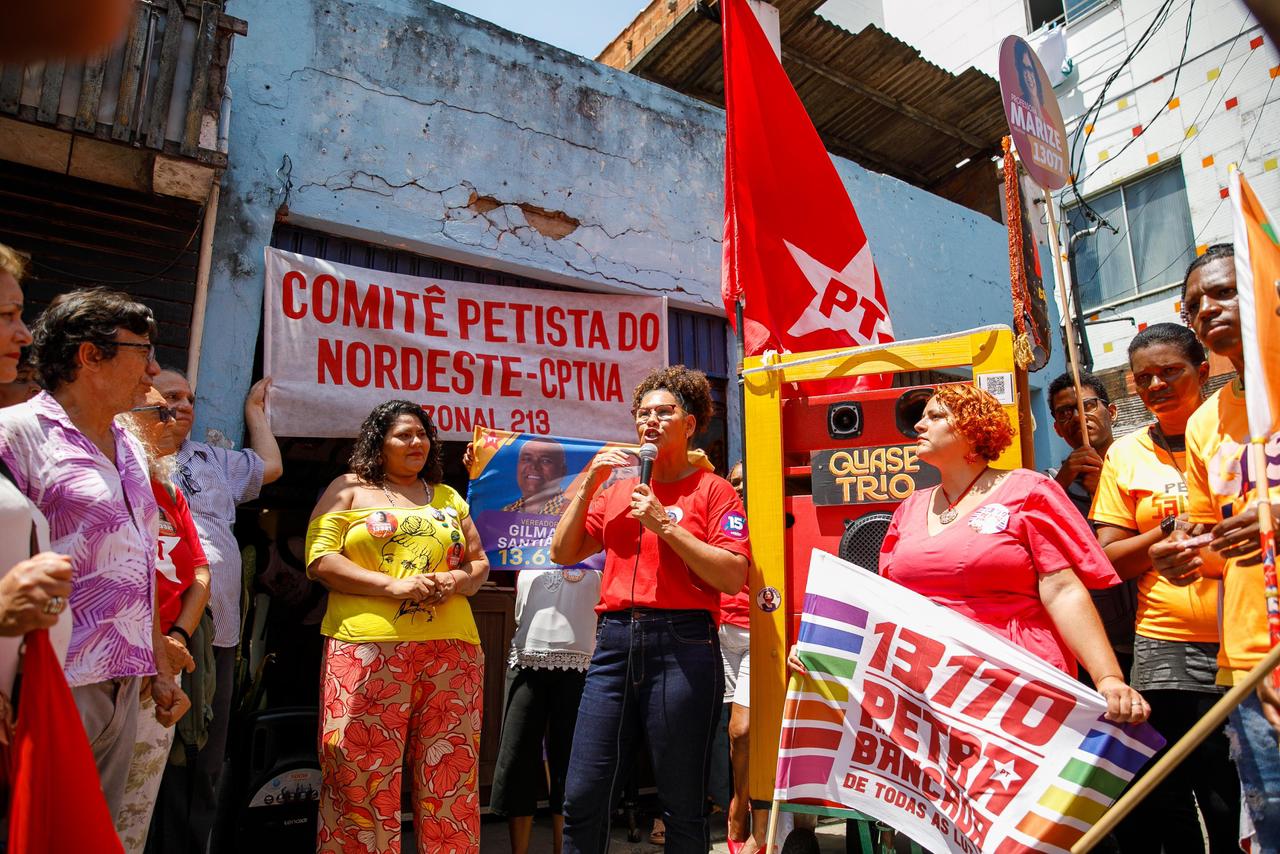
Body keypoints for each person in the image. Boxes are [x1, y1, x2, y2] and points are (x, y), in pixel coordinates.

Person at [0, 287, 191, 827]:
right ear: (90, 355)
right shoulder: (17, 435)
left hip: (124, 684)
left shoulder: (129, 445)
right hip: (51, 681)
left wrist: (157, 666)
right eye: (142, 352)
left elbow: (139, 569)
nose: (153, 370)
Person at [551, 365, 751, 854]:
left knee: (682, 802)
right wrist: (590, 482)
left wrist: (667, 526)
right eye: (643, 413)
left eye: (665, 412)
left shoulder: (714, 490)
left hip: (682, 645)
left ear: (691, 423)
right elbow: (562, 552)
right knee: (583, 794)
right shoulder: (616, 489)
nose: (651, 422)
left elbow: (732, 575)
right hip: (615, 643)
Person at [860, 384, 1148, 719]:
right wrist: (829, 650)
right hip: (930, 690)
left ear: (972, 428)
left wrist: (1109, 678)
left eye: (935, 416)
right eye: (921, 419)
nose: (919, 426)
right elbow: (888, 603)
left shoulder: (1028, 491)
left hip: (1016, 687)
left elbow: (1062, 590)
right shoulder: (909, 508)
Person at [307, 400, 489, 854]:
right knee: (359, 772)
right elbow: (320, 560)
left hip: (453, 652)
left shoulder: (446, 497)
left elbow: (479, 563)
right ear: (379, 443)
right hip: (368, 649)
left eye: (423, 434)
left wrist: (454, 578)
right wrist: (391, 587)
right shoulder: (348, 489)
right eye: (404, 435)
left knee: (450, 773)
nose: (417, 443)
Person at [1090, 323, 1238, 853]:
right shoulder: (1125, 455)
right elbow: (1109, 560)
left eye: (1170, 371)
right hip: (1163, 641)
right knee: (1166, 786)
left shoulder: (1238, 431)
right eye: (1143, 377)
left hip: (1242, 636)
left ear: (1202, 371)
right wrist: (1164, 534)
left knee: (1231, 788)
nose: (1156, 385)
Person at [1151, 243, 1280, 845]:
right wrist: (1179, 560)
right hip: (1249, 662)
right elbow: (1215, 548)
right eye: (1195, 303)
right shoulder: (1204, 423)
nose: (1207, 309)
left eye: (1224, 291)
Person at [150, 366, 281, 852]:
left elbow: (271, 467)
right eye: (170, 396)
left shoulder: (211, 458)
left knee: (202, 754)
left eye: (189, 398)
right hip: (156, 627)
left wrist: (254, 412)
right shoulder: (130, 461)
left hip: (218, 632)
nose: (184, 405)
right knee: (149, 754)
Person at [115, 390, 210, 853]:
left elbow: (200, 572)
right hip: (118, 660)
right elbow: (133, 574)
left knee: (136, 805)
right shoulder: (110, 481)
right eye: (162, 410)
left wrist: (175, 638)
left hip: (166, 661)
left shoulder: (170, 491)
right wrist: (160, 649)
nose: (175, 419)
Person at [1047, 370, 1137, 677]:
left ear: (1111, 411)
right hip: (1093, 643)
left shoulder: (1144, 466)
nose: (1078, 417)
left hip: (1155, 631)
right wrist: (1062, 481)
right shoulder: (1049, 485)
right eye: (1065, 412)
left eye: (1088, 405)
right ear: (1057, 428)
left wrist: (1110, 490)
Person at [719, 462, 768, 854]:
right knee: (726, 733)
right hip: (717, 633)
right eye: (735, 483)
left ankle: (741, 811)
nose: (740, 490)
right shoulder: (721, 518)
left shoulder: (770, 518)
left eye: (746, 483)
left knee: (743, 729)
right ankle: (749, 806)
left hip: (759, 633)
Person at [503, 438, 569, 513]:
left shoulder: (571, 513)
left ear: (563, 471)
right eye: (527, 459)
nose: (534, 467)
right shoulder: (507, 511)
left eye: (545, 461)